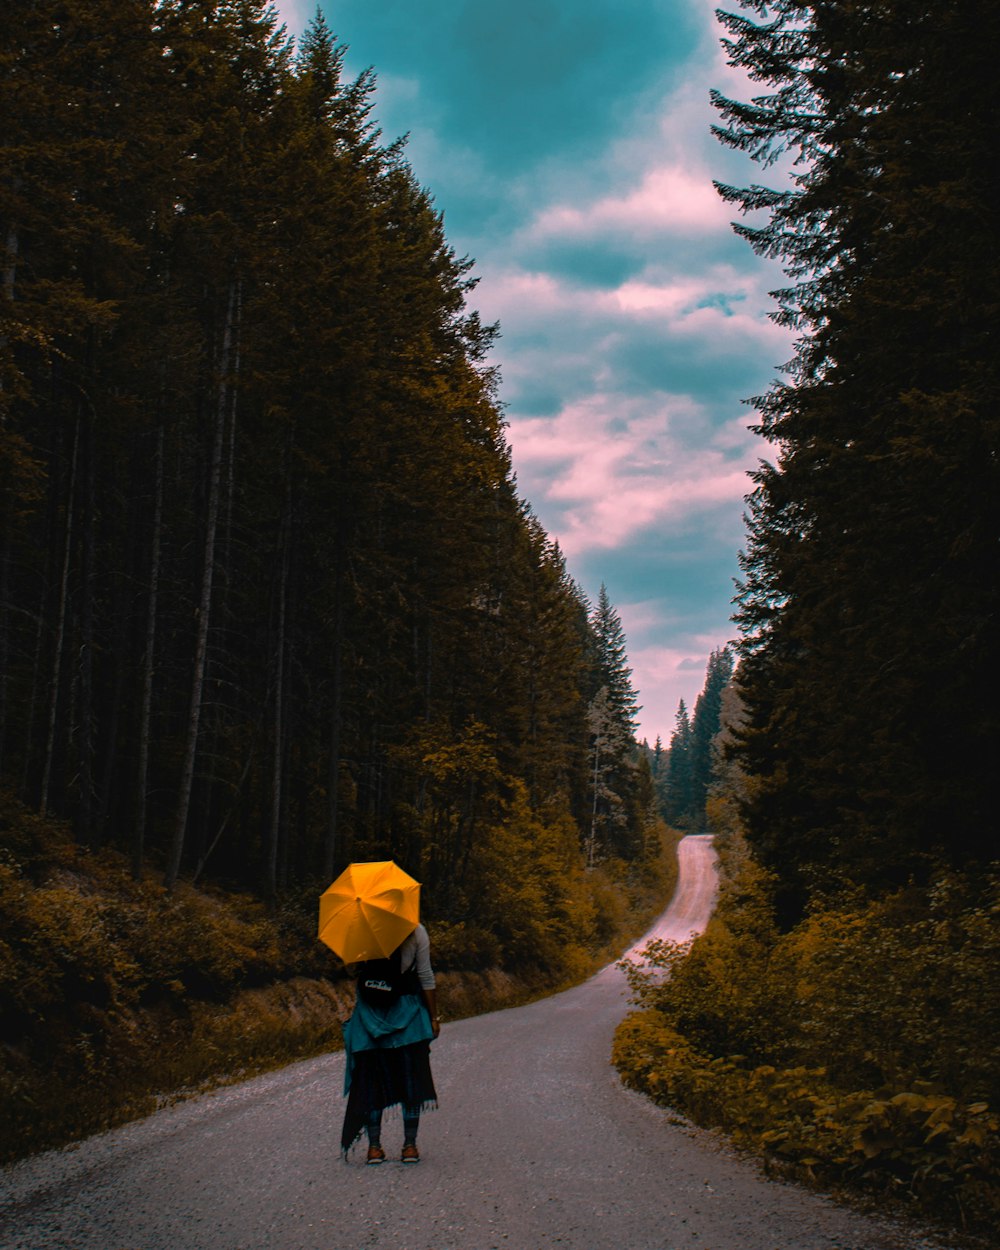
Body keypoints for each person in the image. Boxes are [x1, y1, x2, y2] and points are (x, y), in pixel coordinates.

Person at [340, 922, 441, 1164]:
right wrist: (433, 1017)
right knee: (411, 1079)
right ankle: (409, 1146)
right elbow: (425, 975)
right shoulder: (416, 931)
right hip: (407, 1014)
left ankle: (374, 1147)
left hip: (370, 1016)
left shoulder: (362, 928)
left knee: (373, 1080)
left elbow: (352, 971)